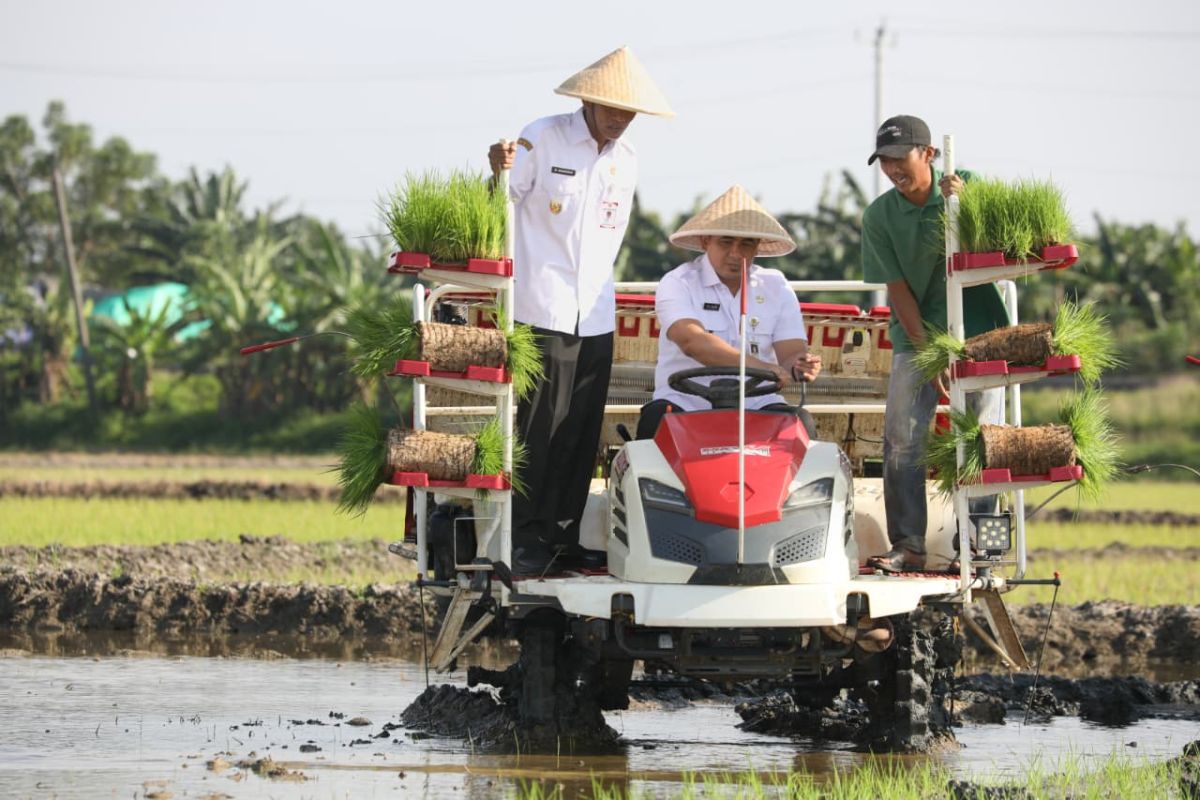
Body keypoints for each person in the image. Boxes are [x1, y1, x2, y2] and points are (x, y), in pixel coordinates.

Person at [487, 47, 674, 575]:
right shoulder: (541, 137)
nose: (620, 119)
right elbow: (499, 202)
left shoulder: (627, 160)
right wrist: (494, 172)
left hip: (595, 312)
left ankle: (562, 536)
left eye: (629, 111)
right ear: (588, 99)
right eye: (612, 107)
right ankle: (522, 537)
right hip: (539, 305)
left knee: (580, 431)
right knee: (537, 428)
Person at [860, 115, 1008, 573]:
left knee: (986, 438)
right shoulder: (879, 215)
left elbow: (1004, 246)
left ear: (927, 152)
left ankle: (982, 545)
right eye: (883, 162)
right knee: (902, 438)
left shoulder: (969, 186)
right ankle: (907, 544)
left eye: (898, 158)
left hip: (980, 331)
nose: (891, 169)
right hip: (917, 334)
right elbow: (897, 289)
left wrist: (963, 207)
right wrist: (927, 353)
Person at [637, 185, 822, 440]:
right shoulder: (678, 282)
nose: (736, 253)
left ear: (757, 246)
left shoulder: (776, 286)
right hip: (685, 404)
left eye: (746, 243)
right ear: (705, 241)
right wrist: (764, 368)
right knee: (654, 421)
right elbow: (693, 342)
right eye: (726, 242)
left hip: (757, 403)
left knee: (801, 422)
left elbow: (790, 355)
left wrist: (800, 366)